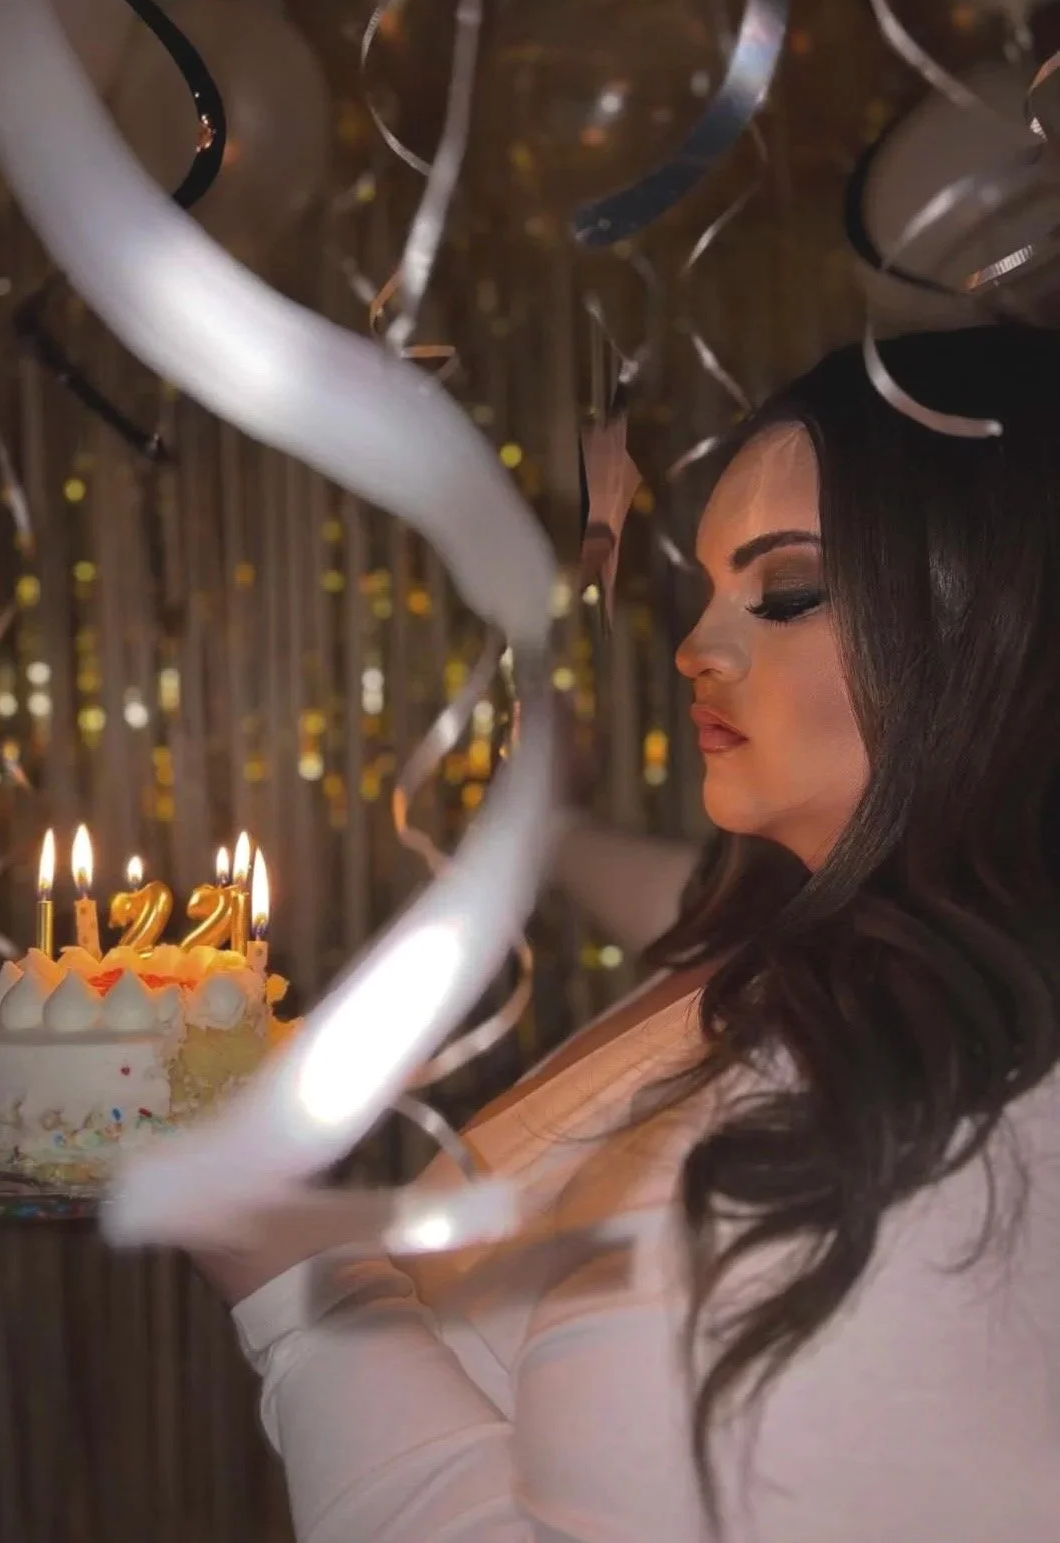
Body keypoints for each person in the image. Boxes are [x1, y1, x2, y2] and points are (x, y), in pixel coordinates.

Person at [199, 327, 1060, 1541]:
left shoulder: (919, 1142)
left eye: (788, 590)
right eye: (710, 590)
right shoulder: (835, 938)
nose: (696, 648)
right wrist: (545, 829)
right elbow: (684, 900)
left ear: (999, 613)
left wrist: (289, 1276)